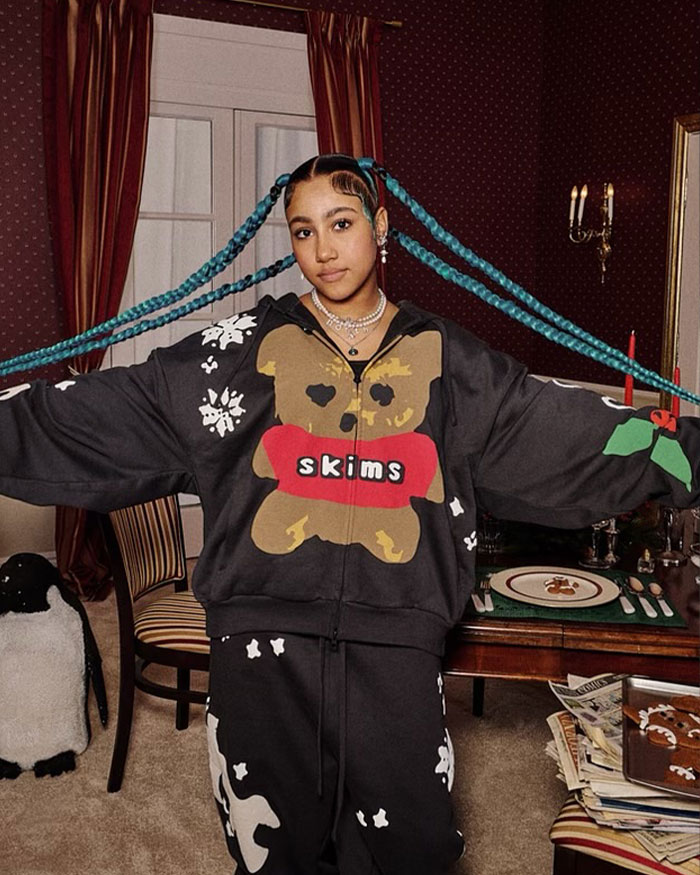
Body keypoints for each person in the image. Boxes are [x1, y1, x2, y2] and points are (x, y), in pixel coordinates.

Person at [0, 153, 699, 874]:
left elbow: (569, 435)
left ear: (381, 225)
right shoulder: (231, 359)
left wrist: (690, 453)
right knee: (269, 852)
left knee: (414, 849)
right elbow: (86, 418)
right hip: (258, 662)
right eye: (303, 232)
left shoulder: (451, 365)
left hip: (396, 660)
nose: (323, 250)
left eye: (340, 223)